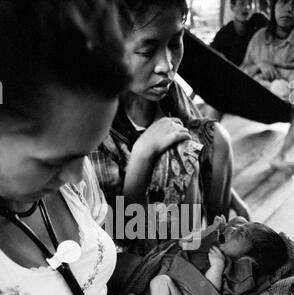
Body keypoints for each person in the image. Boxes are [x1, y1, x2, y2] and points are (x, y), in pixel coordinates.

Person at [0, 0, 194, 295]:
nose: (72, 179)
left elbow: (114, 250)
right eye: (53, 161)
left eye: (83, 154)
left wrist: (155, 288)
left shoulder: (71, 173)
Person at [90, 0, 250, 256]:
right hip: (134, 244)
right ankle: (187, 262)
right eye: (146, 51)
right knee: (175, 153)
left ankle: (216, 244)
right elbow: (117, 232)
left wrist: (229, 193)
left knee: (216, 136)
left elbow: (205, 144)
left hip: (184, 222)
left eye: (175, 43)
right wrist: (143, 154)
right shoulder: (95, 126)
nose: (167, 65)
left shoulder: (170, 94)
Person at [118, 215, 288, 295]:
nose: (234, 228)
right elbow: (186, 243)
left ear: (250, 261)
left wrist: (216, 268)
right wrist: (214, 229)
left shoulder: (235, 272)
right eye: (238, 227)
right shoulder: (218, 246)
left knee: (160, 282)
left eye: (242, 232)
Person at [242, 0, 294, 99]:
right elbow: (242, 73)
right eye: (284, 2)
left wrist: (279, 72)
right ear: (273, 8)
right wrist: (259, 65)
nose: (289, 9)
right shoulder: (259, 38)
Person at [211, 0, 268, 67]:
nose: (247, 7)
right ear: (232, 7)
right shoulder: (224, 33)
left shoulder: (259, 21)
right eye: (241, 3)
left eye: (250, 3)